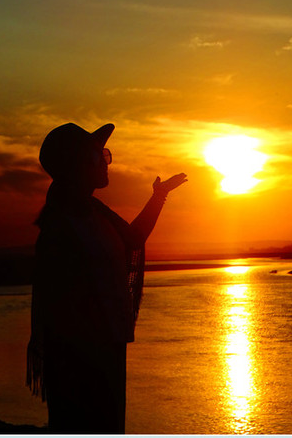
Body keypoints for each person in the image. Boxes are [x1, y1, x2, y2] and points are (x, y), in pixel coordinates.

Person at [26, 122, 187, 433]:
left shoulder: (96, 213)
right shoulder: (60, 224)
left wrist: (159, 195)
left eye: (105, 155)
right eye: (100, 156)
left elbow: (134, 238)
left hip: (108, 344)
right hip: (80, 354)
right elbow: (58, 299)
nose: (106, 162)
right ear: (80, 164)